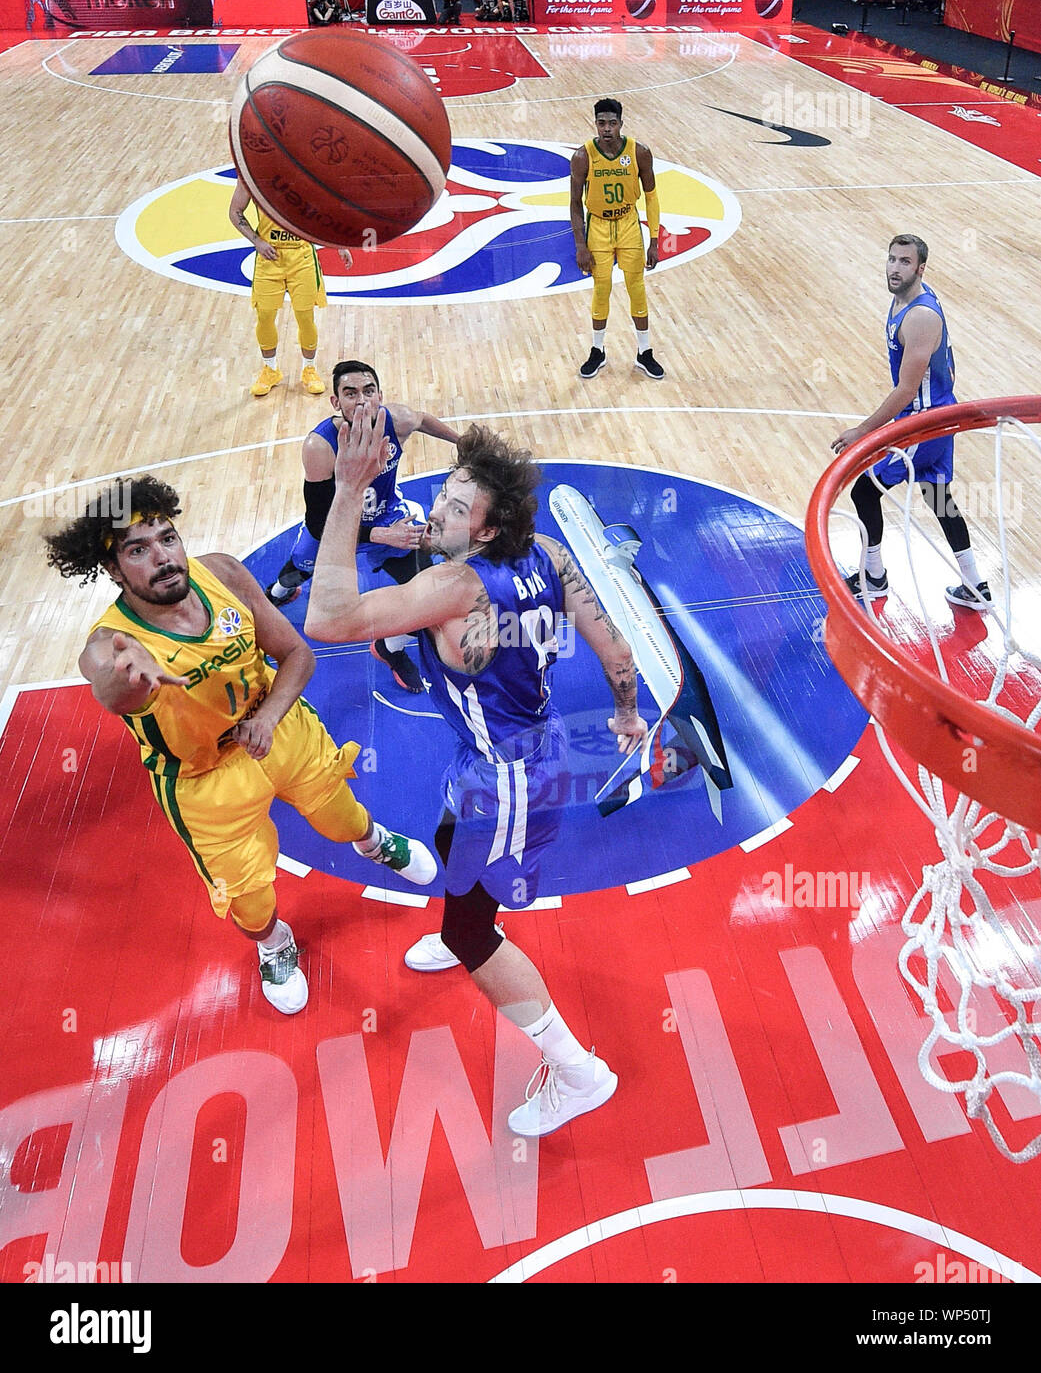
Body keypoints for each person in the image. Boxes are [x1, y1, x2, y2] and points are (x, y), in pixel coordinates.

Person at [305, 409, 649, 1137]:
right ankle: (469, 912)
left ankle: (578, 1072)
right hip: (508, 755)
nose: (436, 510)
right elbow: (616, 649)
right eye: (444, 496)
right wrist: (625, 713)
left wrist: (345, 494)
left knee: (471, 935)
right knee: (450, 838)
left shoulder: (454, 588)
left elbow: (329, 620)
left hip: (508, 777)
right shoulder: (548, 554)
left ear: (487, 530)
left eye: (456, 507)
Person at [44, 476, 436, 1017]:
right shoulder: (110, 644)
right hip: (203, 781)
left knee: (341, 817)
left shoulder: (222, 573)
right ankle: (275, 946)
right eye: (138, 550)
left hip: (276, 728)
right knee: (250, 898)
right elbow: (109, 693)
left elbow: (297, 654)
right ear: (113, 570)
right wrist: (126, 677)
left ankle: (373, 842)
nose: (162, 558)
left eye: (167, 538)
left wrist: (269, 718)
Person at [264, 359, 460, 695]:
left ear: (380, 395)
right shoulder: (320, 446)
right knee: (297, 570)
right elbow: (319, 520)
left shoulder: (395, 420)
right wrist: (377, 535)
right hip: (336, 528)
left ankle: (390, 648)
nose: (361, 401)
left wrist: (460, 440)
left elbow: (423, 419)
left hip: (386, 519)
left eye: (369, 391)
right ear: (335, 402)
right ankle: (281, 591)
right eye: (350, 393)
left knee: (426, 596)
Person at [830, 235, 989, 609]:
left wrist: (863, 431)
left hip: (920, 422)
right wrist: (944, 401)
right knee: (938, 498)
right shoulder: (907, 299)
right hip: (937, 416)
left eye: (905, 262)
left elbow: (906, 388)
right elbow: (948, 360)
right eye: (892, 260)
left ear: (921, 268)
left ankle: (874, 577)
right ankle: (976, 585)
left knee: (864, 491)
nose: (895, 268)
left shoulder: (920, 315)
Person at [228, 177, 353, 399]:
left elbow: (327, 212)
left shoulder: (305, 170)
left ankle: (309, 369)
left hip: (302, 257)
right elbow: (235, 212)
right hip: (269, 257)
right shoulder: (251, 173)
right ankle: (270, 370)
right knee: (265, 316)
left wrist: (338, 244)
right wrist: (257, 241)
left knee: (305, 317)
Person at [570, 98, 664, 382]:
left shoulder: (640, 152)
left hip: (627, 224)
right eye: (602, 123)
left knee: (637, 288)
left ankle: (644, 352)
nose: (607, 129)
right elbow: (575, 203)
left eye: (612, 123)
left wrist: (655, 240)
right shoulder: (583, 156)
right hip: (597, 225)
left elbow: (651, 197)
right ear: (595, 124)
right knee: (602, 289)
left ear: (621, 124)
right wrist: (580, 245)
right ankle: (597, 350)